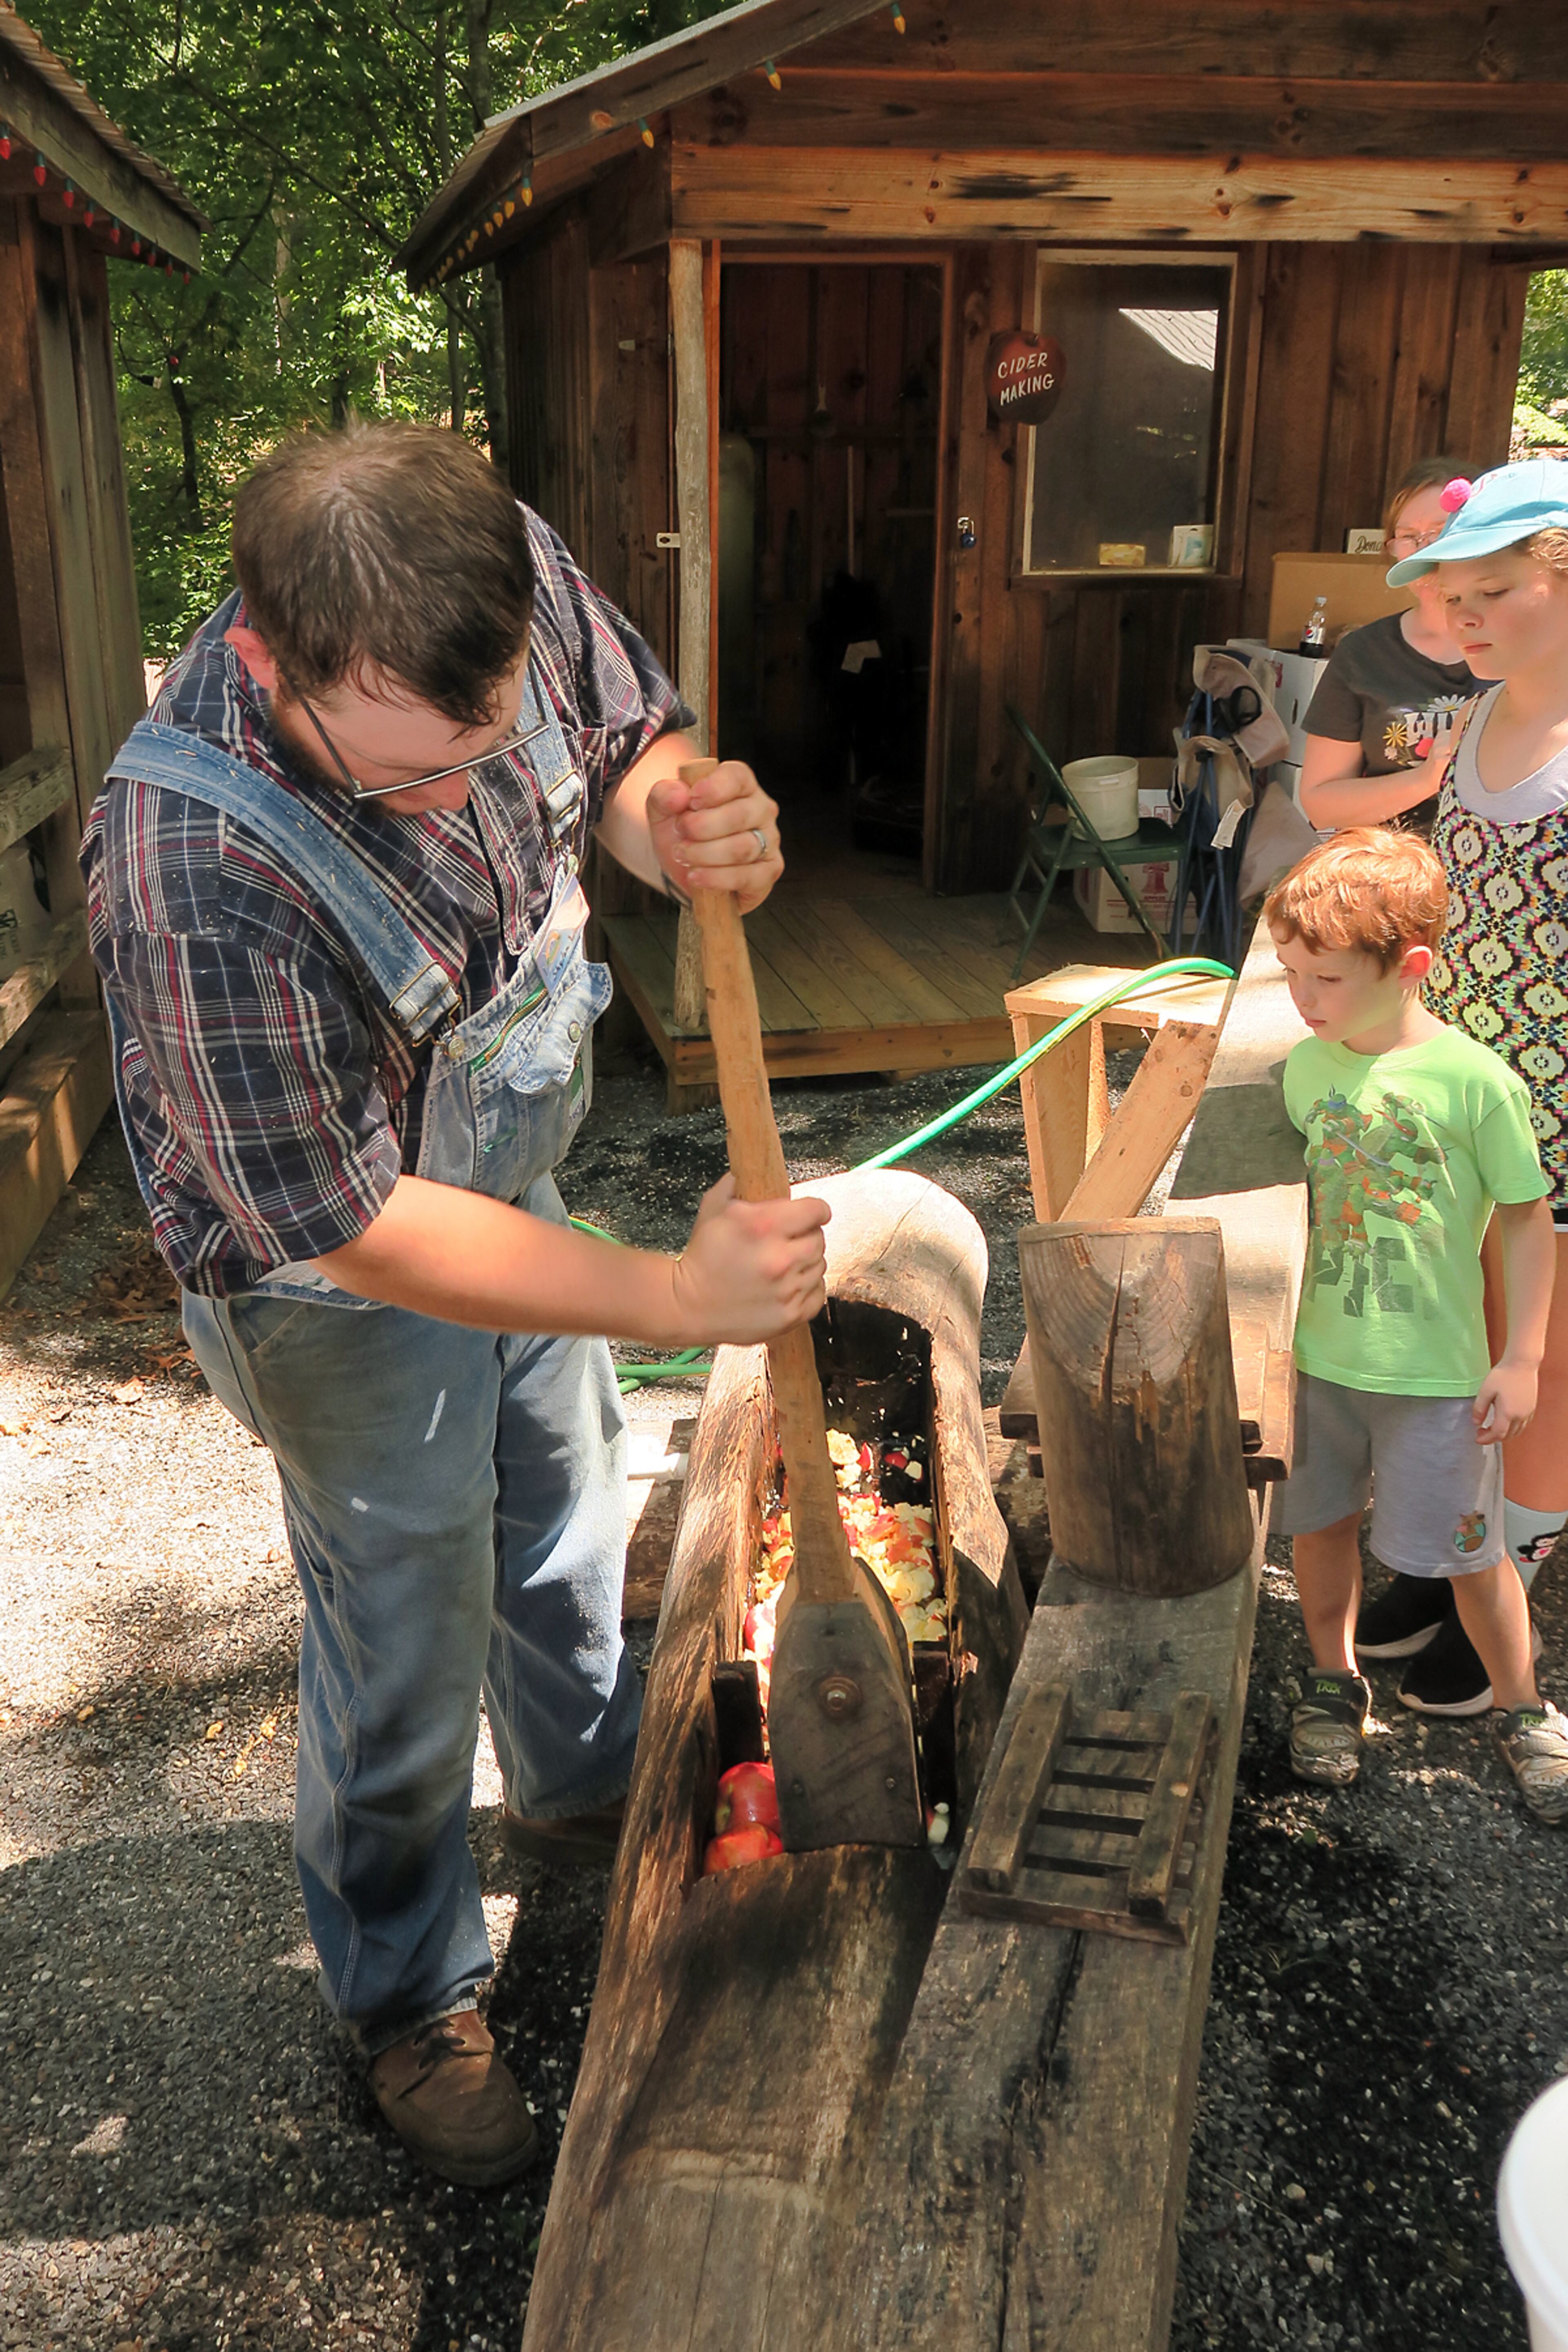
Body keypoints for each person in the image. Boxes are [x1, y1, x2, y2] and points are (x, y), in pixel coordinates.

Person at [82, 420, 832, 2189]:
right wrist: (668, 1287)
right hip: (335, 1280)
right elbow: (350, 1224)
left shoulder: (477, 566)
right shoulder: (192, 859)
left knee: (567, 1497)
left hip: (504, 1171)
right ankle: (410, 1983)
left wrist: (683, 819)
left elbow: (631, 746)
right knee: (405, 1609)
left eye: (497, 725)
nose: (483, 771)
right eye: (428, 769)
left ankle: (586, 1796)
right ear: (286, 665)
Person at [1264, 828, 1567, 1824]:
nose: (1303, 998)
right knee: (1316, 1529)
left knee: (1467, 1556)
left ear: (1411, 969)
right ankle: (1329, 1678)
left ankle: (1523, 1707)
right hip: (1319, 1367)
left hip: (1435, 1376)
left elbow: (1525, 1220)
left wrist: (1520, 1354)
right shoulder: (1305, 1068)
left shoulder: (1477, 1083)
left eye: (1327, 978)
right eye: (1289, 972)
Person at [1356, 459, 1568, 1714]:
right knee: (1466, 1343)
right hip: (1469, 1104)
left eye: (1494, 589)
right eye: (1452, 593)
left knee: (1541, 1367)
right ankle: (1455, 1559)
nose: (1463, 617)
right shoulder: (1480, 720)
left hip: (1558, 1126)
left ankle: (1515, 1567)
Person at [1298, 456, 1494, 835]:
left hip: (1506, 877)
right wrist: (1426, 778)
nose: (1422, 552)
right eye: (1408, 537)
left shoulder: (1529, 646)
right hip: (1392, 878)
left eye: (1439, 533)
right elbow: (1321, 808)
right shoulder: (1363, 653)